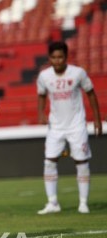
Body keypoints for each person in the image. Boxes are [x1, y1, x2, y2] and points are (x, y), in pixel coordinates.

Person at [36, 41, 102, 215]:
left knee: (81, 161)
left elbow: (91, 94)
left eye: (60, 57)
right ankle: (52, 203)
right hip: (55, 126)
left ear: (66, 57)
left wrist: (97, 119)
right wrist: (41, 113)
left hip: (76, 125)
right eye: (54, 57)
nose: (57, 61)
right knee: (49, 161)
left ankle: (83, 202)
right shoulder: (44, 76)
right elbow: (42, 95)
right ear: (49, 58)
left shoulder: (78, 73)